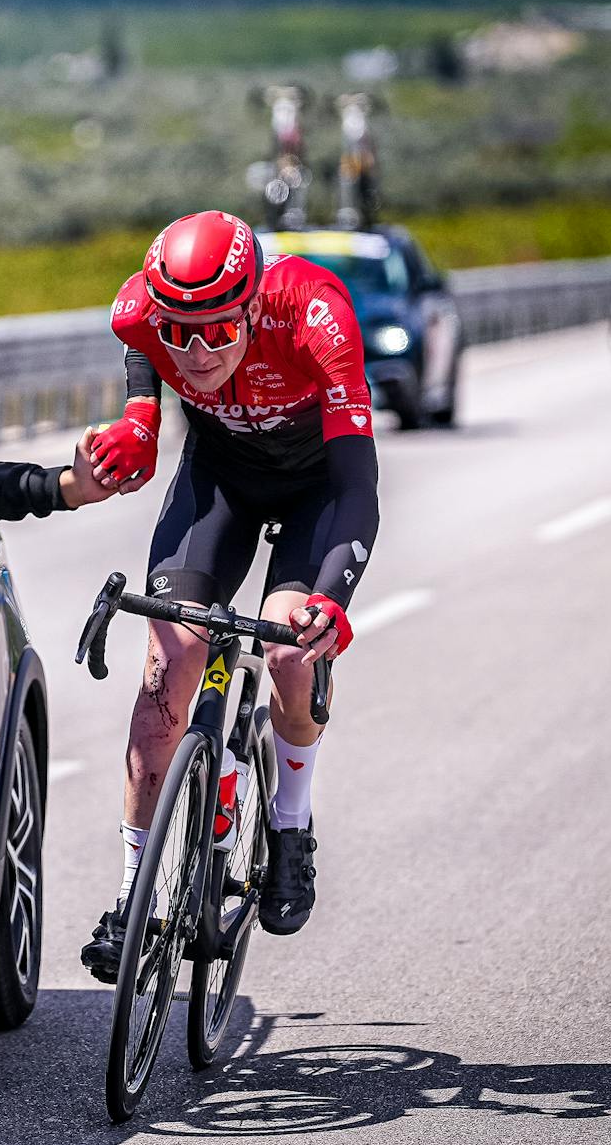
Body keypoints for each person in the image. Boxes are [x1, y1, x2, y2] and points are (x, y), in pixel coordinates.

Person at [77, 210, 381, 978]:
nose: (197, 351)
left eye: (217, 330)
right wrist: (142, 420)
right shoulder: (141, 311)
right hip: (221, 484)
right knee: (165, 678)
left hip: (317, 488)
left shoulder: (315, 314)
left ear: (251, 307)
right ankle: (130, 900)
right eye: (181, 332)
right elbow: (140, 345)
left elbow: (356, 486)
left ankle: (290, 827)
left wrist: (332, 600)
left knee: (287, 653)